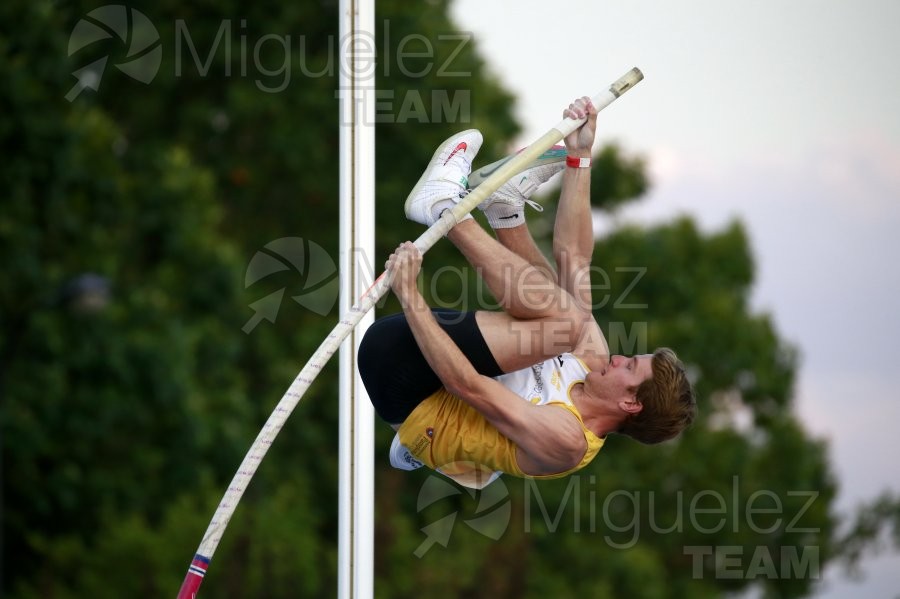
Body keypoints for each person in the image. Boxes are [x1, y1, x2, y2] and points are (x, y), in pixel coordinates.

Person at [359, 97, 696, 488]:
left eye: (629, 367)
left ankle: (444, 206)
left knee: (568, 323)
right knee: (571, 314)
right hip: (430, 370)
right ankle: (505, 210)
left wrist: (409, 294)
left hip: (404, 378)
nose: (619, 357)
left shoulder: (566, 440)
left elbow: (466, 385)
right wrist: (581, 157)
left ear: (630, 404)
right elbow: (574, 258)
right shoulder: (593, 360)